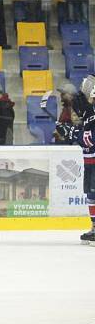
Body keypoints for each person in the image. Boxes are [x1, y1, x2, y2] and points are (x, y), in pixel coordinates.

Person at [55, 81, 95, 242]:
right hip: (89, 162)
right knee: (91, 195)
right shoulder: (88, 114)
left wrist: (72, 132)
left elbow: (89, 139)